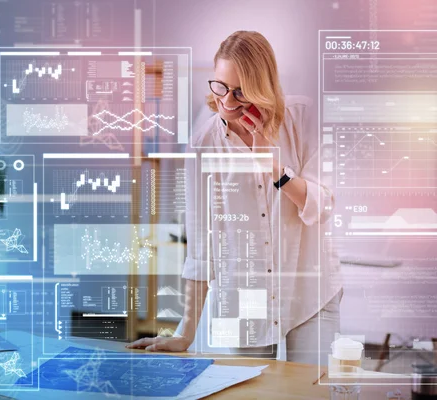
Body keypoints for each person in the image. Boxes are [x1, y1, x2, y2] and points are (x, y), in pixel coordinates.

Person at [127, 31, 342, 364]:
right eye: (221, 87)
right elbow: (201, 249)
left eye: (240, 92)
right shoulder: (203, 143)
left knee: (314, 390)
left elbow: (323, 205)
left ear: (263, 86)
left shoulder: (302, 117)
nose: (227, 102)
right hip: (244, 299)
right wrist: (185, 333)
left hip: (309, 288)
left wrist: (274, 169)